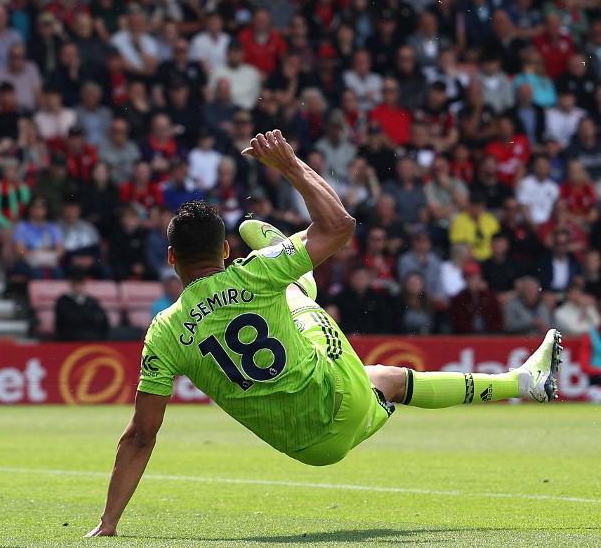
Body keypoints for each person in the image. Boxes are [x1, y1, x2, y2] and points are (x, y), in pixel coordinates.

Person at [86, 130, 562, 538]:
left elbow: (140, 437)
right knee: (296, 296)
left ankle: (526, 382)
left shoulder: (164, 332)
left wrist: (109, 521)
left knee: (390, 378)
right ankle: (296, 272)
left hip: (312, 450)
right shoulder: (251, 273)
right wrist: (290, 164)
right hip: (339, 394)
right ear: (228, 249)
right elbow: (341, 226)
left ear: (170, 258)